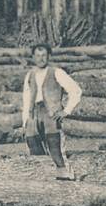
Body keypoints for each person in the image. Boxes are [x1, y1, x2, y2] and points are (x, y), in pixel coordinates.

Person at [21, 43, 82, 180]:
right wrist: (25, 121)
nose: (41, 59)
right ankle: (44, 180)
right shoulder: (29, 75)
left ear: (48, 56)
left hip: (51, 115)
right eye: (37, 56)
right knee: (34, 147)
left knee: (56, 149)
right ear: (33, 57)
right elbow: (25, 99)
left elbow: (76, 91)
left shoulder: (57, 72)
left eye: (43, 55)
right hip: (33, 115)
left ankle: (67, 179)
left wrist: (66, 111)